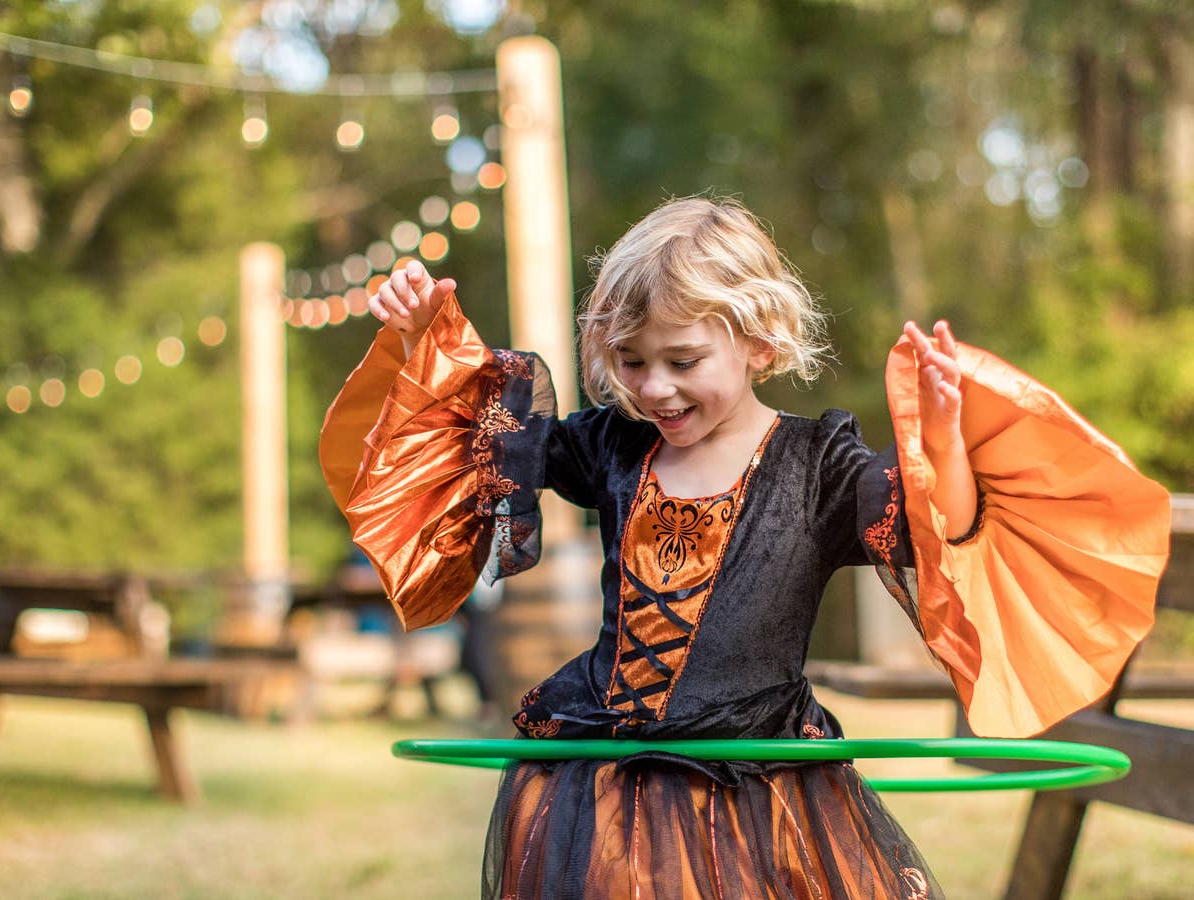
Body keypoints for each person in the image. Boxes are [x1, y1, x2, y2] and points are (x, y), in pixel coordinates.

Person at [318, 197, 1170, 899]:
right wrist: (428, 338)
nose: (654, 386)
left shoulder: (818, 466)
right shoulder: (616, 444)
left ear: (760, 340)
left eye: (683, 359)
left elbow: (936, 528)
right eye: (631, 360)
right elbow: (485, 441)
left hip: (760, 789)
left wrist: (944, 440)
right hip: (612, 785)